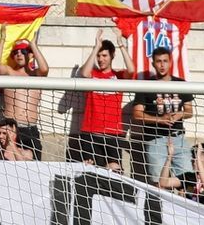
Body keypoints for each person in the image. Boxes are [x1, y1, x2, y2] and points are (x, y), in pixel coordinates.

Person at [131, 47, 194, 184]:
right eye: (158, 61)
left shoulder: (181, 84)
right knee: (159, 182)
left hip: (178, 138)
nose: (162, 65)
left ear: (170, 62)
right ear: (153, 63)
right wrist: (160, 120)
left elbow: (189, 111)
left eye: (165, 61)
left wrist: (180, 114)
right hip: (155, 139)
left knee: (188, 181)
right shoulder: (146, 85)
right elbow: (136, 114)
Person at [0, 26, 50, 159]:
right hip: (11, 127)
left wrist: (33, 45)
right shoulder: (10, 73)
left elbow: (44, 68)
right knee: (8, 164)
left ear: (31, 54)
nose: (20, 54)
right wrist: (3, 40)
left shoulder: (36, 75)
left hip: (30, 128)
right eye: (16, 52)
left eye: (23, 51)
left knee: (34, 166)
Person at [75, 30, 133, 167]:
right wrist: (95, 48)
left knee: (114, 170)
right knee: (91, 171)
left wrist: (121, 44)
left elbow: (131, 70)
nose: (101, 59)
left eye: (104, 55)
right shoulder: (92, 74)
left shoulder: (118, 76)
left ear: (112, 56)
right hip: (90, 132)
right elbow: (83, 73)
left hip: (113, 133)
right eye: (99, 56)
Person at [160, 141, 204, 209]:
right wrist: (169, 157)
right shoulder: (188, 176)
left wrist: (198, 158)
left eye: (197, 160)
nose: (194, 162)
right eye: (193, 159)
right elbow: (164, 182)